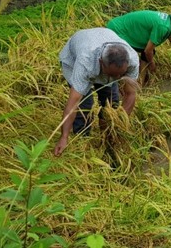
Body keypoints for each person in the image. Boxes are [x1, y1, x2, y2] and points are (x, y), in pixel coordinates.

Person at [53, 28, 140, 157]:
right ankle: (83, 141)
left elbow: (130, 94)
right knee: (85, 105)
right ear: (101, 63)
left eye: (120, 75)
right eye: (112, 75)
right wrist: (63, 137)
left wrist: (119, 122)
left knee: (111, 102)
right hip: (73, 59)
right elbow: (73, 104)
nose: (115, 79)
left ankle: (107, 138)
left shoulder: (132, 60)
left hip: (102, 46)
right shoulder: (85, 62)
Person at [106, 8, 171, 83]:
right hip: (117, 31)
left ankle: (139, 82)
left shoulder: (167, 21)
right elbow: (147, 51)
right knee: (125, 58)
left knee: (148, 54)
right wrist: (152, 64)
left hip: (119, 27)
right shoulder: (163, 26)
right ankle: (124, 85)